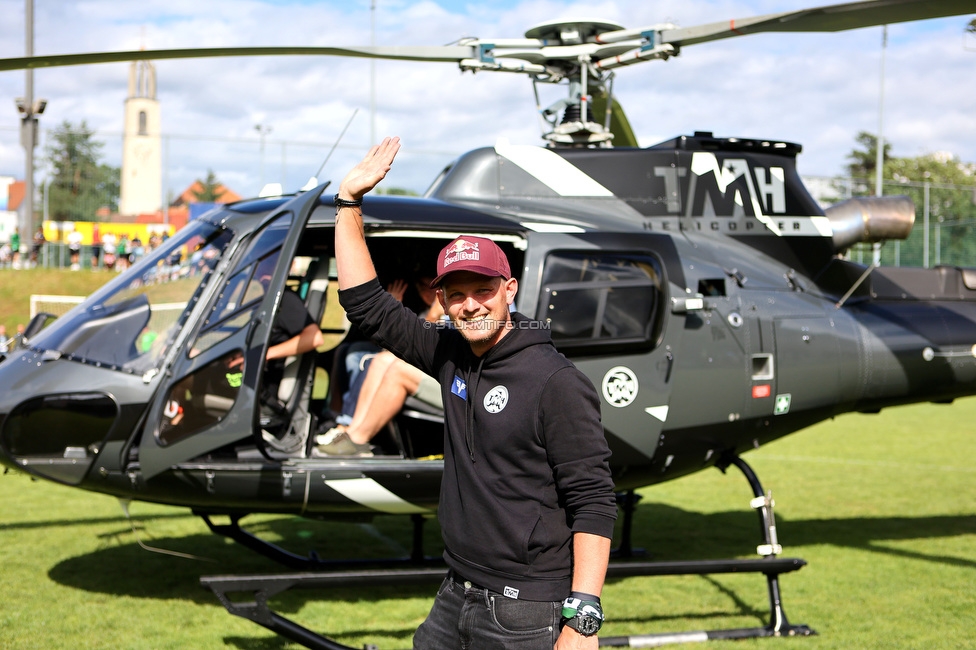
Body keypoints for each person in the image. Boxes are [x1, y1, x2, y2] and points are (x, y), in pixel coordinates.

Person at [334, 137, 617, 649]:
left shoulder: (556, 381)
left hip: (527, 607)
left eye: (483, 290)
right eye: (457, 294)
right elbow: (366, 305)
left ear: (509, 289)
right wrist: (349, 202)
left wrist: (582, 620)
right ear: (441, 299)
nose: (470, 306)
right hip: (456, 592)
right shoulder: (450, 353)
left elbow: (594, 501)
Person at [314, 277, 446, 456]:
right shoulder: (426, 312)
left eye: (432, 286)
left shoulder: (451, 314)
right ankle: (349, 431)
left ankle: (358, 439)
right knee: (380, 360)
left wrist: (434, 315)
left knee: (396, 370)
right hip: (434, 372)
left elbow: (425, 348)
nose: (427, 291)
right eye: (421, 286)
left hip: (452, 382)